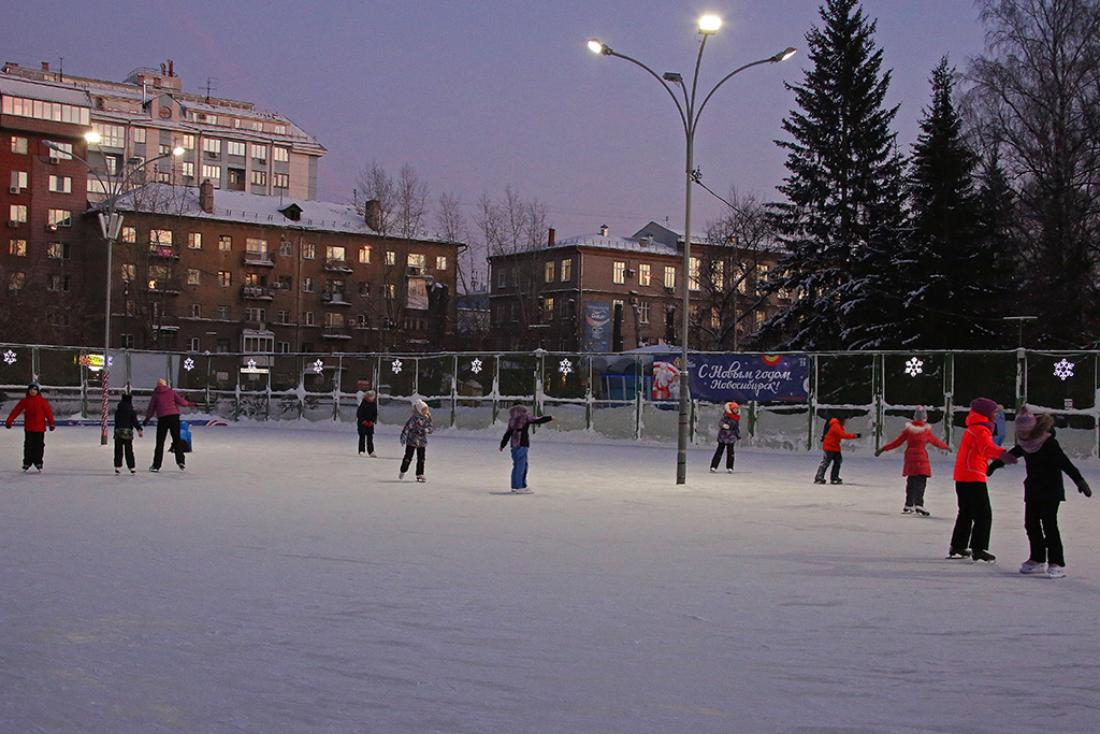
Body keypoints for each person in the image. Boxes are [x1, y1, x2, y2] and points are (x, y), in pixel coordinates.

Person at [988, 407, 1092, 578]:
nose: (1022, 436)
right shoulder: (1025, 442)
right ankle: (1037, 558)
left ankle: (1056, 562)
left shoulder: (1048, 442)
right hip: (1033, 488)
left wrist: (1079, 481)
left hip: (1051, 490)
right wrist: (993, 466)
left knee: (1050, 526)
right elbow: (1013, 453)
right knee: (1031, 524)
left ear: (1032, 429)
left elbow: (1065, 463)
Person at [949, 397, 1017, 561]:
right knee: (983, 513)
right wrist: (1002, 454)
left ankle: (958, 545)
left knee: (965, 512)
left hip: (963, 475)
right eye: (994, 412)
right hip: (973, 476)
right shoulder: (980, 429)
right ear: (986, 413)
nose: (996, 415)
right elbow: (986, 448)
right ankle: (978, 548)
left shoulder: (973, 428)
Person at [875, 406, 948, 516]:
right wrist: (946, 447)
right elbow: (936, 442)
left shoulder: (908, 430)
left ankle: (908, 505)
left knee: (911, 480)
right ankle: (919, 503)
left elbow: (897, 442)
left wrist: (883, 448)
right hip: (922, 458)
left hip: (910, 457)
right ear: (925, 418)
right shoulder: (926, 431)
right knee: (921, 481)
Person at [499, 404, 553, 493]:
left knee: (517, 465)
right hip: (522, 443)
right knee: (521, 466)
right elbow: (537, 420)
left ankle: (516, 486)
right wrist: (549, 418)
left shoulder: (512, 419)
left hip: (514, 444)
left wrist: (502, 445)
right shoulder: (525, 417)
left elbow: (508, 433)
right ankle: (520, 486)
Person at [144, 378, 192, 472]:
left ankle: (156, 465)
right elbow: (182, 402)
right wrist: (190, 404)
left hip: (162, 419)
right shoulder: (171, 392)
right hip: (174, 417)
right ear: (166, 385)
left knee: (160, 442)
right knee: (176, 440)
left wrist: (147, 419)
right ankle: (180, 461)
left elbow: (151, 408)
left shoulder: (156, 394)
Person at [5, 383, 55, 471]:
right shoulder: (25, 401)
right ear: (28, 391)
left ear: (37, 391)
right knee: (28, 446)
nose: (33, 391)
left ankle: (38, 462)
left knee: (39, 446)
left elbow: (48, 413)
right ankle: (27, 462)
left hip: (39, 428)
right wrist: (9, 420)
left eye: (35, 390)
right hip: (29, 428)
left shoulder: (42, 401)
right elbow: (16, 411)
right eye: (31, 390)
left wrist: (51, 423)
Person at [814, 416, 861, 485]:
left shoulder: (838, 426)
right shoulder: (836, 426)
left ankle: (834, 477)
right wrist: (855, 436)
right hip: (829, 447)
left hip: (835, 447)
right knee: (826, 462)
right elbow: (843, 435)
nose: (846, 422)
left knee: (838, 461)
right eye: (845, 420)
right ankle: (819, 477)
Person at [399, 399, 432, 482]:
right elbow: (407, 428)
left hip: (422, 442)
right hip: (412, 441)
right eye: (424, 410)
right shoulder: (413, 419)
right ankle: (403, 469)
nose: (426, 411)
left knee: (421, 458)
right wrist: (403, 436)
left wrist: (426, 430)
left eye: (426, 409)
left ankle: (420, 473)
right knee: (408, 457)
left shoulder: (427, 418)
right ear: (419, 410)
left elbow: (431, 428)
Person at [113, 390, 143, 475]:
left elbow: (116, 422)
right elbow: (134, 421)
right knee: (128, 450)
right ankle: (131, 467)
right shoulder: (131, 411)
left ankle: (117, 466)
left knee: (118, 450)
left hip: (118, 432)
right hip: (127, 433)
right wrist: (139, 430)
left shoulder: (118, 411)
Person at [710, 401, 742, 474]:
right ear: (731, 409)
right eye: (734, 409)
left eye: (737, 409)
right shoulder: (726, 415)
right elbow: (720, 422)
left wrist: (738, 435)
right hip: (723, 436)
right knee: (719, 451)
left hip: (731, 437)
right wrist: (724, 425)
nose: (736, 410)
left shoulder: (736, 417)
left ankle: (730, 467)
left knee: (730, 452)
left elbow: (736, 428)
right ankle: (713, 466)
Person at [357, 390, 378, 457]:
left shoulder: (374, 404)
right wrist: (363, 421)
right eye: (370, 397)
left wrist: (372, 421)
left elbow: (375, 414)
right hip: (362, 424)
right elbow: (359, 414)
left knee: (370, 438)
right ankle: (361, 451)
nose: (372, 398)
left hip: (370, 424)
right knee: (362, 437)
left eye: (373, 397)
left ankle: (371, 451)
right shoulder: (363, 404)